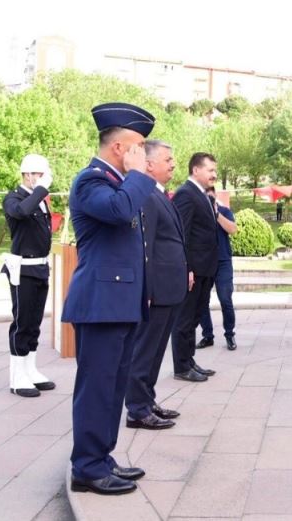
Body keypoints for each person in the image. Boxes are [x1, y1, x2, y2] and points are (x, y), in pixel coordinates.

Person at [62, 102, 157, 495]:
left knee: (113, 388)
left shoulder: (119, 183)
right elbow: (119, 212)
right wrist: (137, 176)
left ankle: (102, 457)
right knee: (97, 389)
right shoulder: (92, 181)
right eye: (139, 147)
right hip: (100, 304)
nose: (144, 155)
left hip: (119, 304)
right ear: (119, 147)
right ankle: (86, 467)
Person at [124, 140, 187, 431]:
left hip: (169, 287)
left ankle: (147, 401)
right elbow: (145, 246)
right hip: (157, 289)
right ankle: (137, 409)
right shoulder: (147, 195)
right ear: (148, 164)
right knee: (145, 351)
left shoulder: (158, 193)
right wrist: (146, 289)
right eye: (167, 159)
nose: (173, 164)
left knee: (156, 351)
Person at [2, 154, 56, 398]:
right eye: (39, 175)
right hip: (22, 269)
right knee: (22, 322)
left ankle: (30, 369)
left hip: (40, 268)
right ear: (28, 174)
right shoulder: (14, 198)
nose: (43, 180)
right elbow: (21, 212)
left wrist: (40, 192)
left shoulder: (39, 200)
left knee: (34, 323)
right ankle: (17, 377)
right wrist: (41, 189)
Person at [170, 153, 219, 382]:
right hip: (194, 269)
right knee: (185, 319)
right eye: (210, 170)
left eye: (214, 170)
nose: (214, 175)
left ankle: (189, 361)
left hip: (206, 268)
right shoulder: (186, 194)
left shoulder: (203, 195)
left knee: (195, 316)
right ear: (196, 170)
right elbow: (182, 234)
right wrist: (187, 267)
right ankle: (181, 366)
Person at [198, 186, 238, 351]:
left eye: (210, 197)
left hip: (223, 262)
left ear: (215, 196)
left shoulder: (224, 211)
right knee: (202, 301)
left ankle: (229, 334)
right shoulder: (198, 214)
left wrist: (216, 214)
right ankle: (207, 335)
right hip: (204, 262)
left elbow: (233, 229)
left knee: (225, 299)